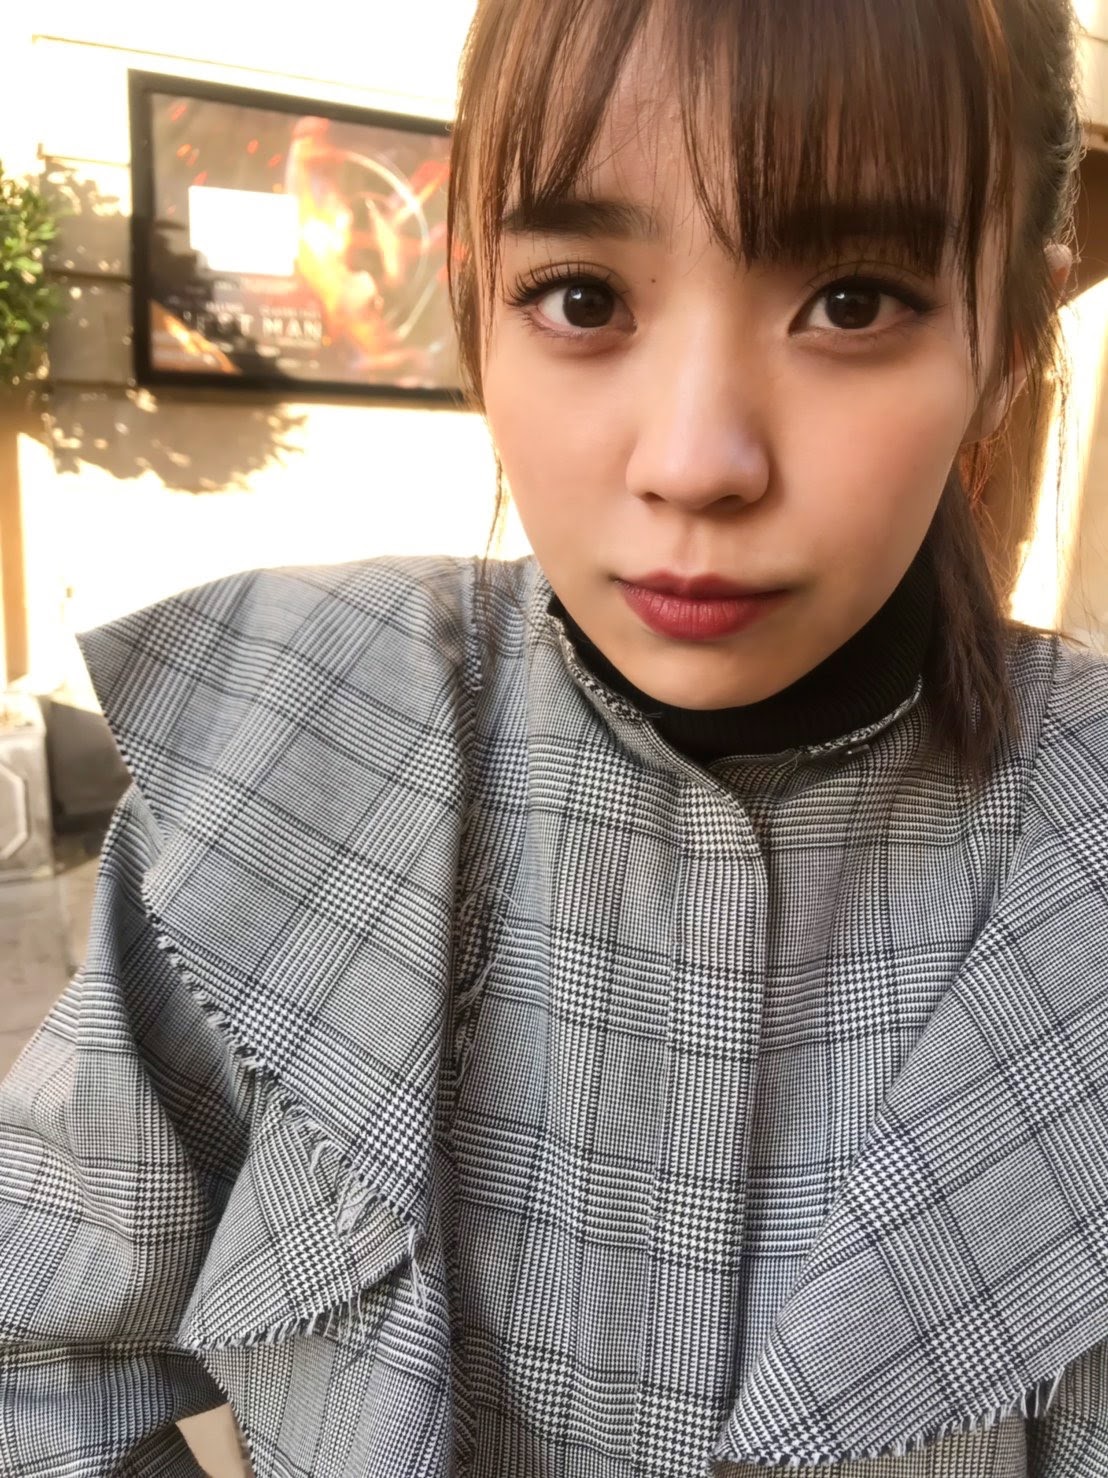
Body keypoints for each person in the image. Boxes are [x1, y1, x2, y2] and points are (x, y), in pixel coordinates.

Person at [2, 0, 1106, 1473]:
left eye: (853, 301)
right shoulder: (295, 751)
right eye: (583, 298)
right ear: (477, 298)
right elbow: (38, 1350)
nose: (696, 462)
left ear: (1012, 337)